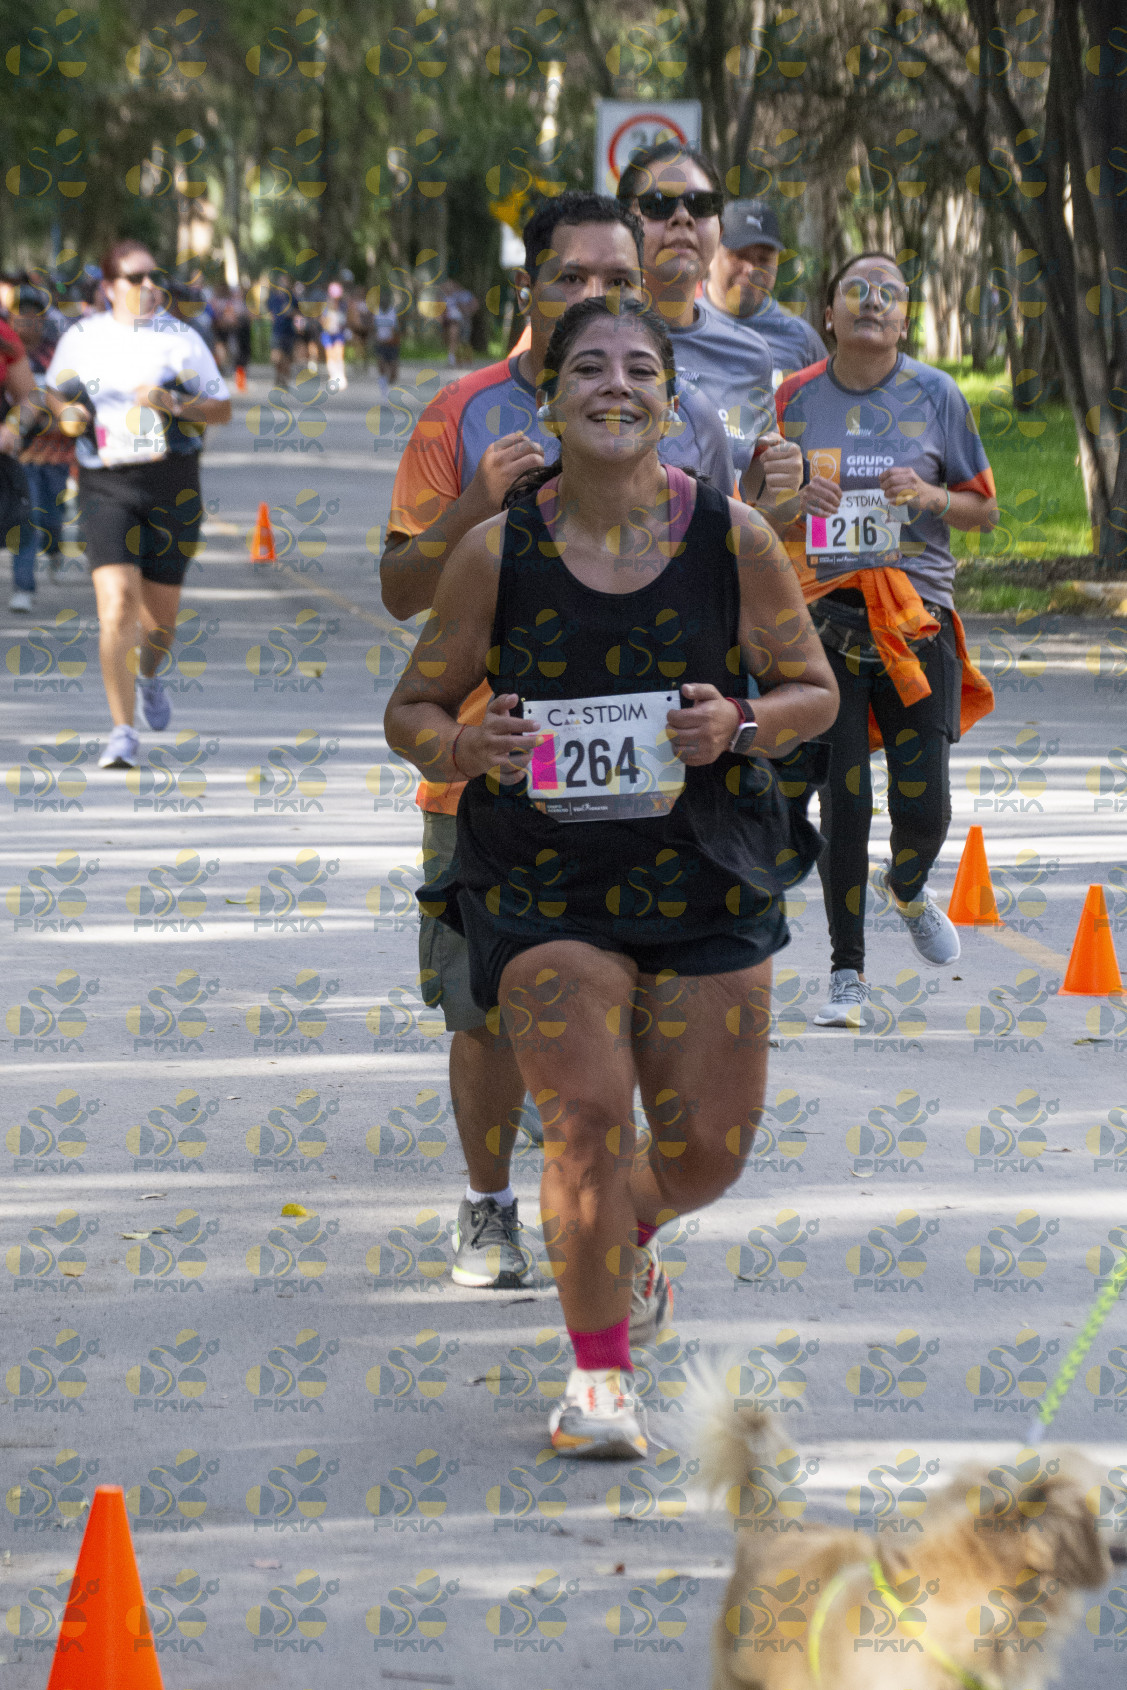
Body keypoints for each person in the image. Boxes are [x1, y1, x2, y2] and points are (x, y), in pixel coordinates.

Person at [385, 297, 838, 1456]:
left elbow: (813, 694)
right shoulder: (496, 552)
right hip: (541, 879)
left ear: (670, 404)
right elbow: (411, 709)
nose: (615, 385)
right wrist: (463, 746)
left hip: (705, 868)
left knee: (705, 1151)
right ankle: (596, 1381)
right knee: (583, 1116)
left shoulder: (731, 539)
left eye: (640, 369)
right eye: (587, 367)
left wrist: (738, 723)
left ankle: (622, 1231)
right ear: (549, 401)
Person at [380, 190, 739, 1297]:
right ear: (527, 288)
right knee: (486, 1018)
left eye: (618, 279)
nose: (596, 295)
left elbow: (741, 583)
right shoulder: (460, 415)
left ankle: (616, 1236)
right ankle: (489, 1205)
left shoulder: (680, 410)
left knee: (633, 1026)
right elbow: (398, 589)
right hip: (487, 786)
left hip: (655, 793)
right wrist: (467, 513)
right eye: (571, 277)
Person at [776, 251, 999, 1027]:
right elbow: (756, 508)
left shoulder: (937, 394)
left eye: (888, 294)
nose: (871, 302)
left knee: (924, 807)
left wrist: (932, 495)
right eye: (855, 290)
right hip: (823, 621)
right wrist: (795, 500)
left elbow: (982, 510)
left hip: (914, 621)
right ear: (827, 314)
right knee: (844, 801)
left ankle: (904, 888)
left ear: (904, 320)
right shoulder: (794, 397)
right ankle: (846, 975)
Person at [43, 239, 232, 769]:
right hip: (105, 482)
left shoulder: (182, 340)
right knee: (117, 605)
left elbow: (221, 409)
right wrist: (66, 413)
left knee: (159, 623)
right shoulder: (82, 338)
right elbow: (54, 391)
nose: (150, 286)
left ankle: (149, 675)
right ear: (109, 287)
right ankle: (122, 732)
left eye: (155, 276)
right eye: (136, 278)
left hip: (172, 483)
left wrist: (173, 402)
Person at [616, 143, 781, 490]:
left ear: (719, 229)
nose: (683, 217)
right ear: (622, 224)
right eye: (658, 204)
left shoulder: (751, 356)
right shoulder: (583, 339)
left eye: (701, 205)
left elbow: (753, 496)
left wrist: (781, 487)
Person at [703, 198, 826, 386]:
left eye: (763, 259)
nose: (751, 269)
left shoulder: (801, 340)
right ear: (711, 253)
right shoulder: (678, 325)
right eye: (740, 255)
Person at [9, 283, 73, 609]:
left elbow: (74, 394)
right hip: (20, 452)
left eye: (32, 314)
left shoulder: (57, 354)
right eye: (20, 314)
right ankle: (23, 587)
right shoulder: (8, 353)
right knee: (27, 516)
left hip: (57, 451)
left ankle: (55, 546)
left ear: (42, 318)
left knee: (50, 517)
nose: (26, 320)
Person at [1, 300, 45, 611]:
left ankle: (23, 585)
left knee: (31, 518)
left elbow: (30, 397)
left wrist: (13, 427)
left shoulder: (4, 335)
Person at [371, 289, 401, 399]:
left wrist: (392, 341)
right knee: (381, 362)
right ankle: (383, 381)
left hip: (391, 343)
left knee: (393, 370)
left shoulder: (393, 313)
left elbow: (395, 331)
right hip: (381, 342)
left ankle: (390, 380)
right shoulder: (376, 313)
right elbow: (374, 328)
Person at [321, 280, 348, 391]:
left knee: (339, 354)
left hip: (339, 333)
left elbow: (346, 320)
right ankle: (333, 377)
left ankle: (340, 377)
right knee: (330, 355)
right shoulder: (325, 307)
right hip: (328, 334)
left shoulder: (343, 306)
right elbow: (323, 321)